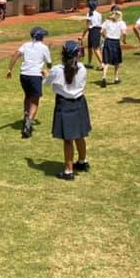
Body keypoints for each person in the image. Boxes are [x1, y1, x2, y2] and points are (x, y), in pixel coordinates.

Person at [44, 40, 91, 181]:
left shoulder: (57, 70)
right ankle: (82, 162)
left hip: (64, 104)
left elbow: (46, 83)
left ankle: (68, 171)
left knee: (68, 139)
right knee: (80, 135)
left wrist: (45, 73)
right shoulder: (82, 68)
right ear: (77, 54)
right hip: (80, 102)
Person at [6, 26, 52, 139]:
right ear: (41, 37)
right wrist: (47, 56)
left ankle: (26, 115)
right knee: (35, 101)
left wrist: (10, 69)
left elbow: (16, 54)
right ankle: (28, 124)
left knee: (27, 96)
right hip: (35, 76)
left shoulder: (26, 45)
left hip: (24, 75)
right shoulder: (44, 47)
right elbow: (49, 64)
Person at [99, 5, 127, 86]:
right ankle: (116, 78)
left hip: (108, 41)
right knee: (117, 61)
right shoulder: (121, 22)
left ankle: (104, 77)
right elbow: (124, 33)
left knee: (106, 61)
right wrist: (124, 40)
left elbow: (101, 31)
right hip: (116, 42)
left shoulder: (107, 21)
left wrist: (105, 37)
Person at [80, 0, 104, 70]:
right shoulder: (99, 14)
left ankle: (102, 64)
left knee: (96, 49)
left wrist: (82, 36)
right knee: (90, 48)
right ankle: (89, 63)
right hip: (96, 31)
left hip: (93, 31)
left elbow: (87, 26)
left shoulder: (89, 14)